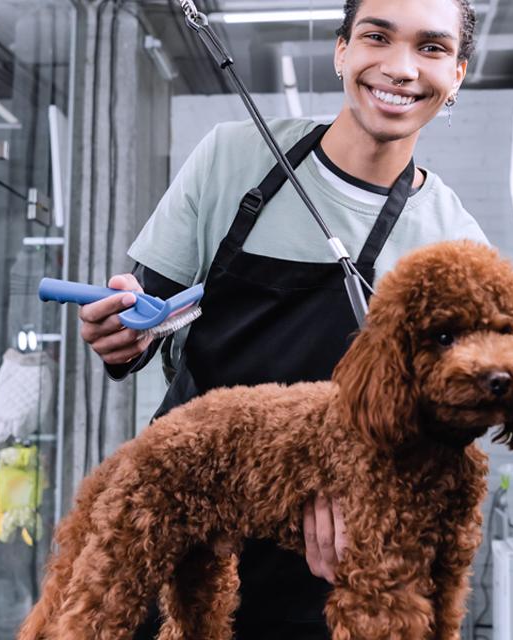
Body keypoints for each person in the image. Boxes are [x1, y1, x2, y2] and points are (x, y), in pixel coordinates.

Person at [77, 0, 487, 635]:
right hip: (182, 514)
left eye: (430, 48)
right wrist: (120, 334)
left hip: (327, 556)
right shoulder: (232, 158)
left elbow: (450, 419)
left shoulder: (455, 245)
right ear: (342, 50)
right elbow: (147, 317)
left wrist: (366, 505)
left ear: (456, 74)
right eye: (377, 37)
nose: (401, 68)